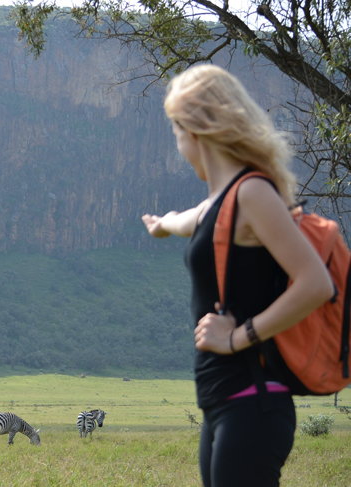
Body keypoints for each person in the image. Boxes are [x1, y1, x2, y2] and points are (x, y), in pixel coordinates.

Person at [141, 65, 334, 487]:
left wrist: (237, 336)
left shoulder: (252, 192)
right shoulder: (220, 204)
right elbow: (189, 220)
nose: (178, 145)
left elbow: (316, 283)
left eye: (176, 131)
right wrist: (163, 224)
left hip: (253, 401)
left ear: (194, 129)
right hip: (223, 402)